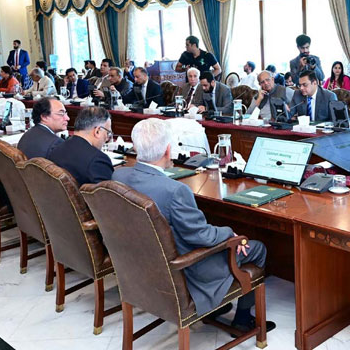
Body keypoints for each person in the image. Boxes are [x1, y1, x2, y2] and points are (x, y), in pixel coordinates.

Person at [113, 118, 276, 332]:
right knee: (255, 247)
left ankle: (218, 306)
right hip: (185, 270)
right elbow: (202, 237)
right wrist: (231, 234)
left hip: (142, 265)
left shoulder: (119, 175)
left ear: (136, 147)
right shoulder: (174, 191)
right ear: (168, 150)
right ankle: (243, 318)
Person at [48, 107, 114, 186]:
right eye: (108, 133)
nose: (107, 138)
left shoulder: (56, 149)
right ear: (97, 131)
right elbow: (107, 196)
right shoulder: (98, 160)